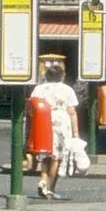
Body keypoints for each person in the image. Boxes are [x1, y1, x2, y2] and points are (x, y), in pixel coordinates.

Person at [30, 61, 80, 201]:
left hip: (43, 121)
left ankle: (43, 178)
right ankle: (50, 188)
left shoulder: (39, 89)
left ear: (46, 75)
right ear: (62, 76)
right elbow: (72, 111)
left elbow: (31, 107)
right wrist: (76, 133)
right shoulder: (67, 90)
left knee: (44, 154)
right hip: (61, 122)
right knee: (57, 156)